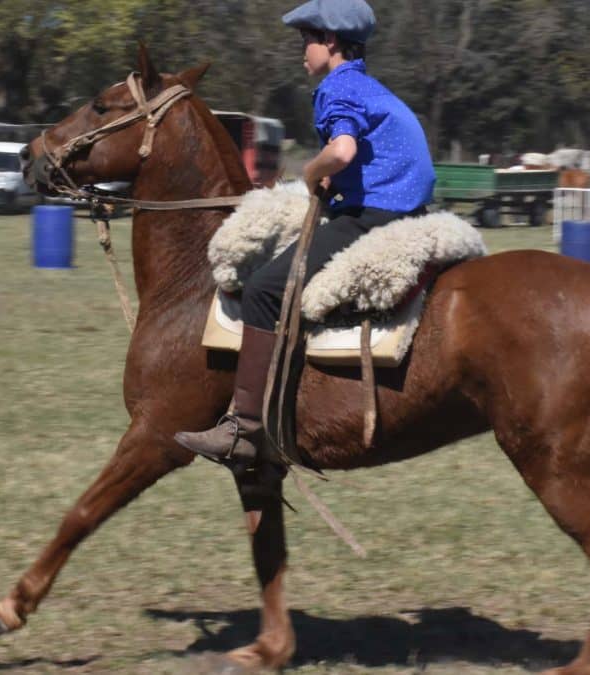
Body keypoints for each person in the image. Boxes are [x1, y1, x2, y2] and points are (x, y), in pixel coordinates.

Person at [174, 0, 435, 465]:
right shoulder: (368, 86)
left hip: (374, 215)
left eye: (306, 41)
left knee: (261, 291)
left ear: (330, 42)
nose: (302, 53)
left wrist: (314, 173)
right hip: (405, 208)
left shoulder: (338, 87)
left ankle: (245, 429)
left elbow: (343, 150)